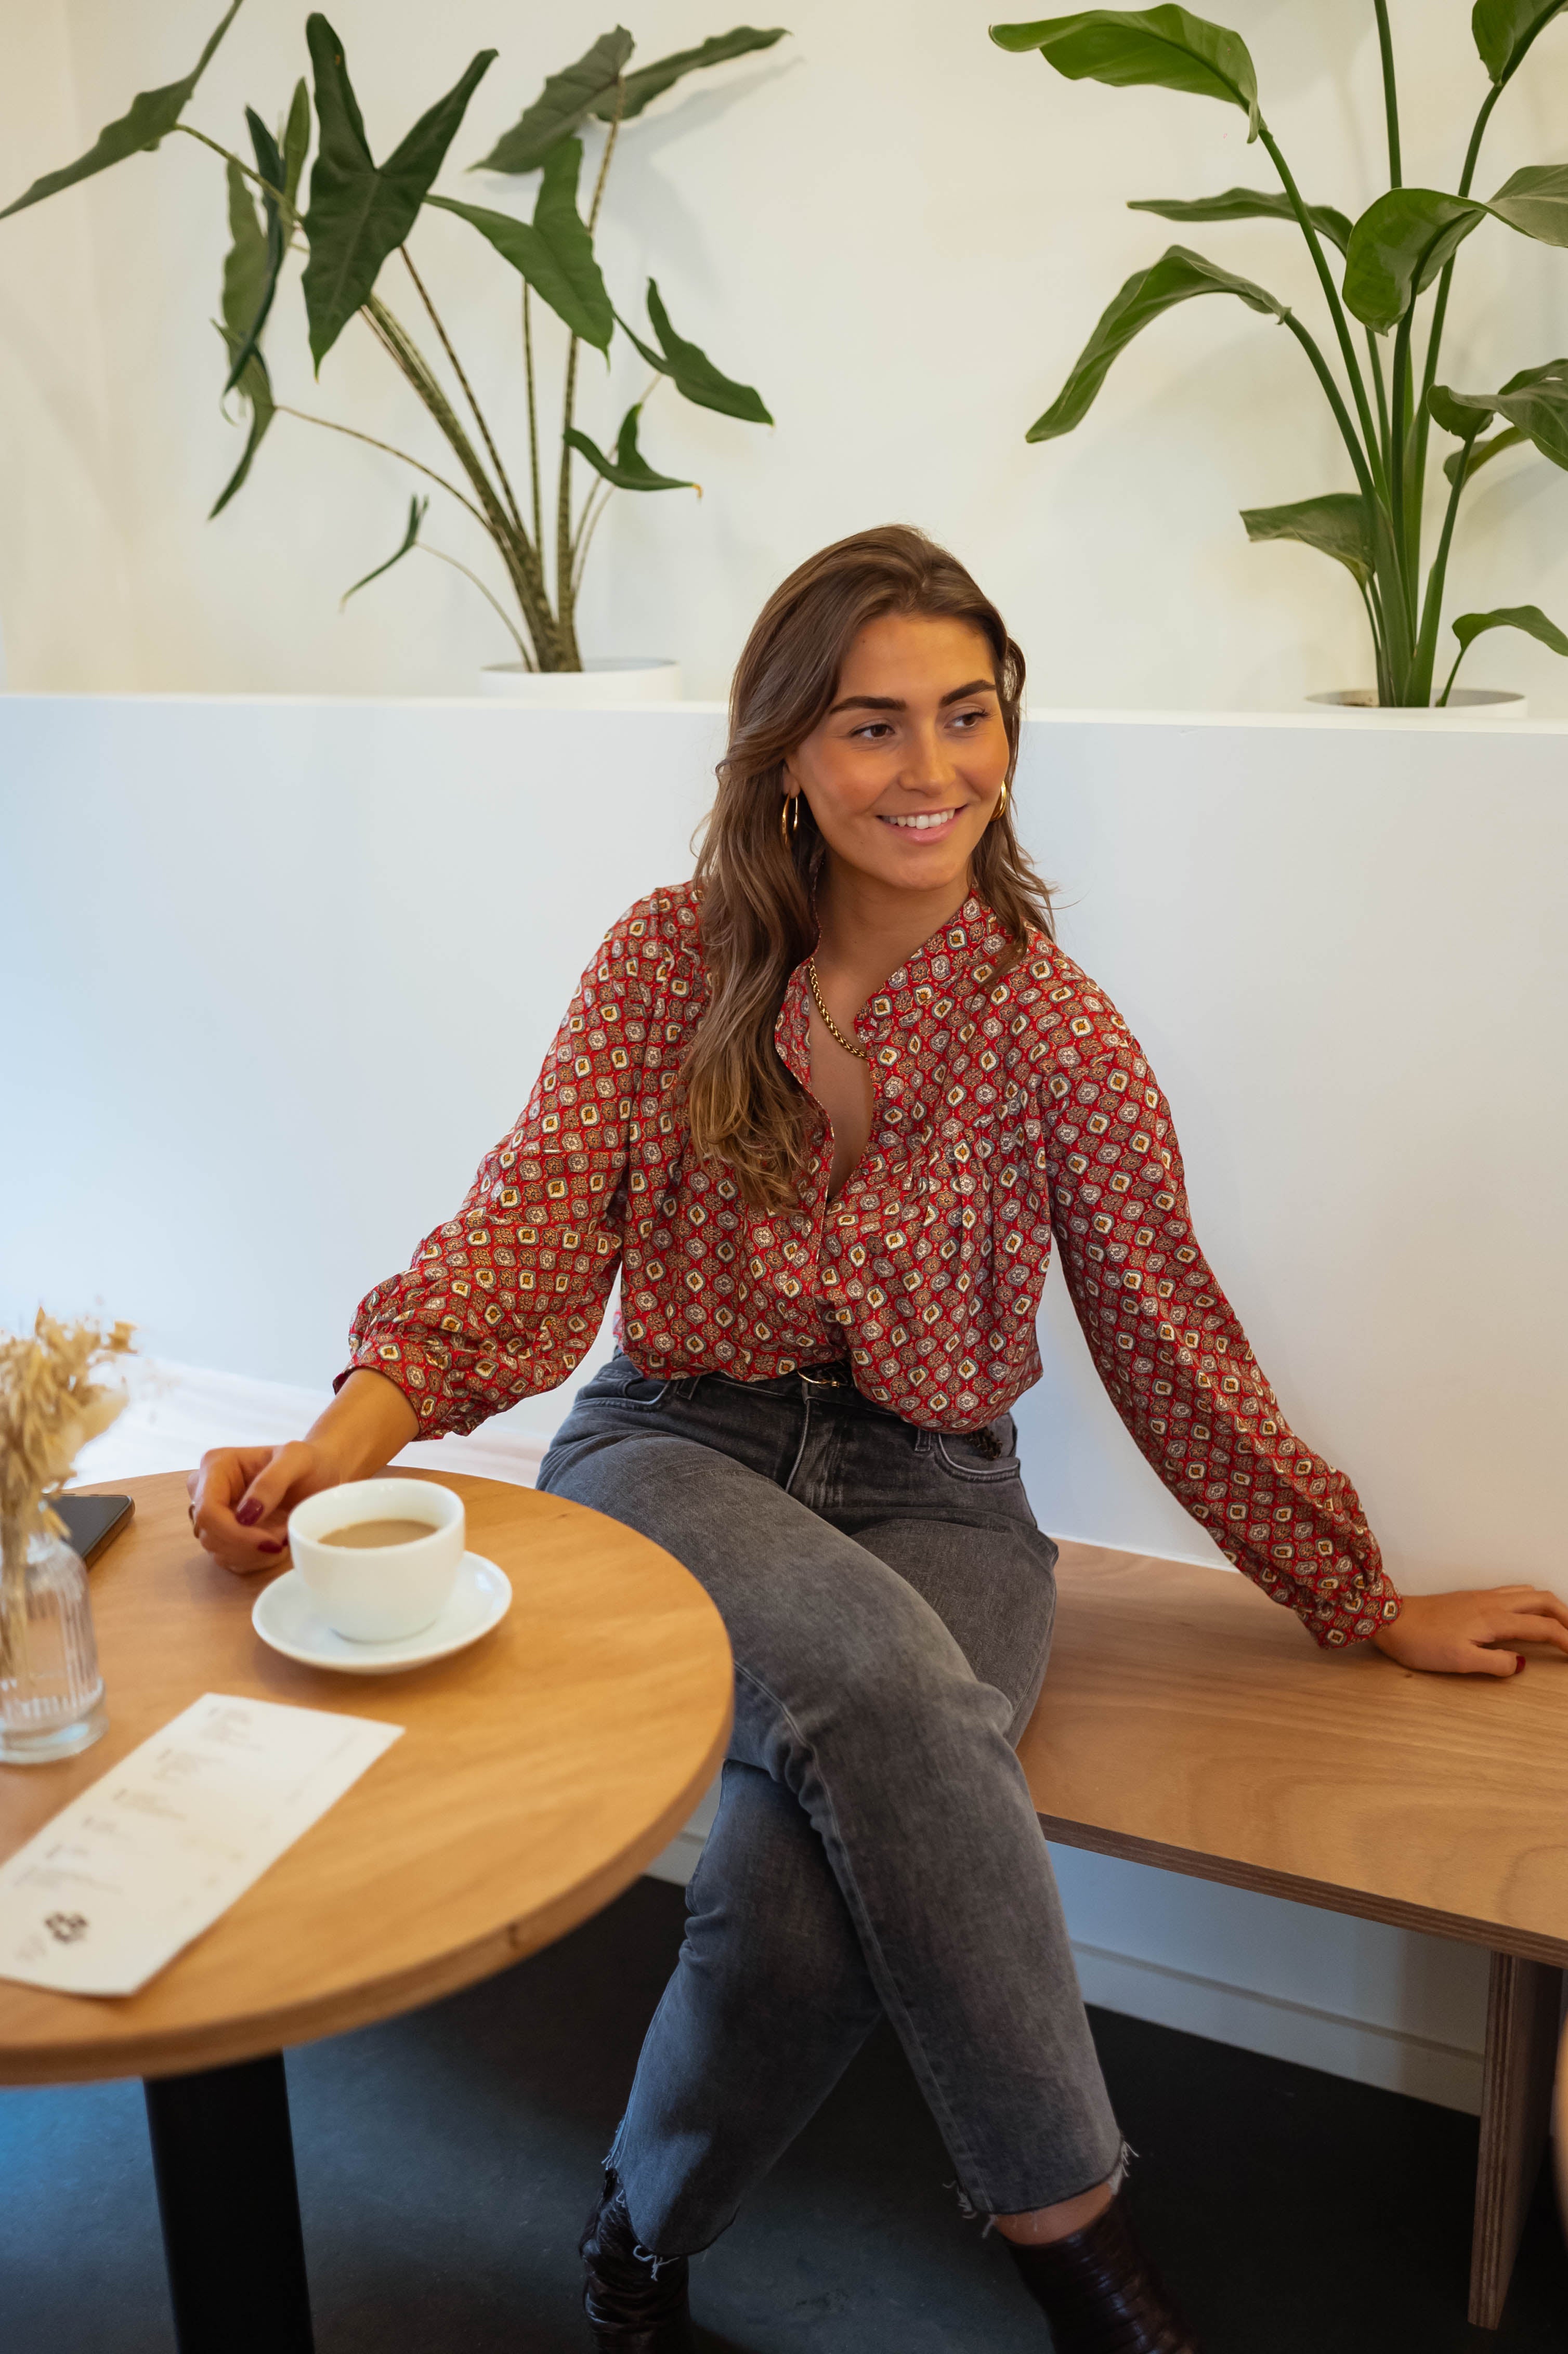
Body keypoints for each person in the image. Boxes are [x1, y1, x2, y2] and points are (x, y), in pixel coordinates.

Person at [190, 526, 1568, 2354]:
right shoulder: (664, 967)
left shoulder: (1061, 1036)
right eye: (871, 726)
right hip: (672, 1452)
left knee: (792, 1909)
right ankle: (1089, 2266)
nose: (932, 773)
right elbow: (525, 1226)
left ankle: (633, 2242)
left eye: (968, 716)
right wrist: (343, 1436)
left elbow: (1170, 1337)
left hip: (945, 1498)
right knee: (902, 1710)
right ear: (785, 755)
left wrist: (1357, 1593)